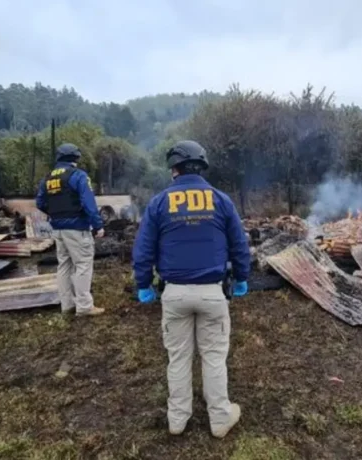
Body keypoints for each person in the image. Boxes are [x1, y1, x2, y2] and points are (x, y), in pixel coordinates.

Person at [132, 140, 251, 438]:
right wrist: (241, 278)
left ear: (174, 169)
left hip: (174, 294)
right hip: (213, 293)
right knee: (213, 357)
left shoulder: (159, 202)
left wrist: (144, 284)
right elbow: (239, 245)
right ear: (203, 166)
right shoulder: (221, 200)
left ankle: (178, 419)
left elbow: (143, 249)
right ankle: (220, 419)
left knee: (178, 358)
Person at [36, 143, 106, 317]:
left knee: (64, 265)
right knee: (82, 265)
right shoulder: (78, 176)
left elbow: (40, 202)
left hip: (58, 229)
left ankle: (67, 305)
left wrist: (55, 215)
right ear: (76, 158)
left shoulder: (48, 178)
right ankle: (84, 306)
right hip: (77, 228)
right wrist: (97, 225)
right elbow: (88, 202)